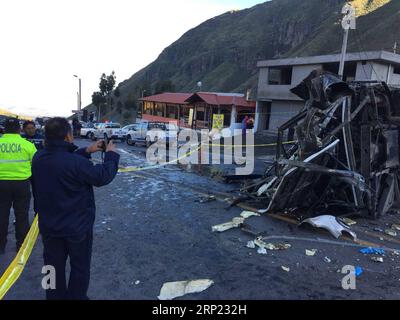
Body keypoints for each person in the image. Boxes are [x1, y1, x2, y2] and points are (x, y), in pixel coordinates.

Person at [31, 117, 120, 300]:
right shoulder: (76, 164)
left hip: (49, 226)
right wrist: (110, 155)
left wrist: (87, 150)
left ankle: (53, 296)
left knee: (51, 267)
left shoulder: (38, 158)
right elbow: (102, 176)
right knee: (80, 268)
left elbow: (61, 160)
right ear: (68, 137)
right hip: (77, 227)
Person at [0, 118, 37, 254]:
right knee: (21, 215)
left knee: (1, 215)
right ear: (19, 129)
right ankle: (21, 246)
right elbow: (36, 164)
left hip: (1, 183)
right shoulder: (27, 145)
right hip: (21, 184)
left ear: (4, 129)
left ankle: (1, 245)